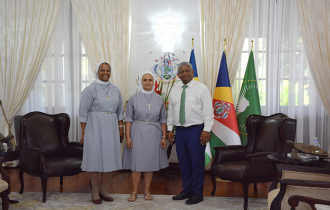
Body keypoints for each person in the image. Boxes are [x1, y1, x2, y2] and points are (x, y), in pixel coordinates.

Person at [167, 62, 214, 205]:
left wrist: (206, 130)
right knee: (184, 163)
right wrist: (170, 129)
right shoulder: (174, 90)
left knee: (196, 162)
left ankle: (197, 193)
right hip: (180, 131)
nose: (185, 73)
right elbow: (171, 112)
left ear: (192, 72)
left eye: (187, 70)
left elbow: (208, 111)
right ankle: (187, 190)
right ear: (178, 75)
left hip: (196, 130)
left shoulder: (201, 88)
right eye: (181, 71)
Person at [79, 61, 124, 204]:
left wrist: (120, 129)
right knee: (95, 158)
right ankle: (94, 191)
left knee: (108, 158)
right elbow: (82, 112)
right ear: (98, 72)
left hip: (111, 126)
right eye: (102, 70)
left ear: (111, 72)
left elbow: (120, 112)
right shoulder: (90, 89)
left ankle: (103, 189)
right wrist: (84, 133)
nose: (105, 73)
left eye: (108, 70)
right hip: (94, 126)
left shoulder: (116, 90)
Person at [123, 71, 168, 202]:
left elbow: (163, 119)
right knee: (136, 163)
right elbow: (128, 119)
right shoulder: (134, 98)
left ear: (153, 82)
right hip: (137, 132)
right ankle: (134, 191)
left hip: (154, 133)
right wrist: (128, 137)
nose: (147, 82)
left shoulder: (159, 99)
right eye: (145, 80)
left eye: (150, 80)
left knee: (150, 163)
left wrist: (164, 136)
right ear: (141, 82)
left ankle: (147, 190)